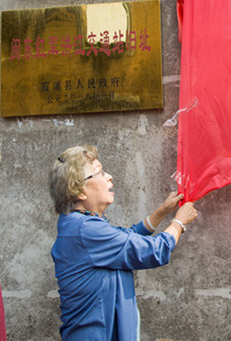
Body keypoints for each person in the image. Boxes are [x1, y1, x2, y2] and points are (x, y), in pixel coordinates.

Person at [50, 144, 198, 340]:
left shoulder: (78, 224)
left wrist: (162, 211)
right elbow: (154, 250)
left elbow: (126, 238)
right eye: (99, 172)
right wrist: (179, 222)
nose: (109, 176)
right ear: (79, 191)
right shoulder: (86, 229)